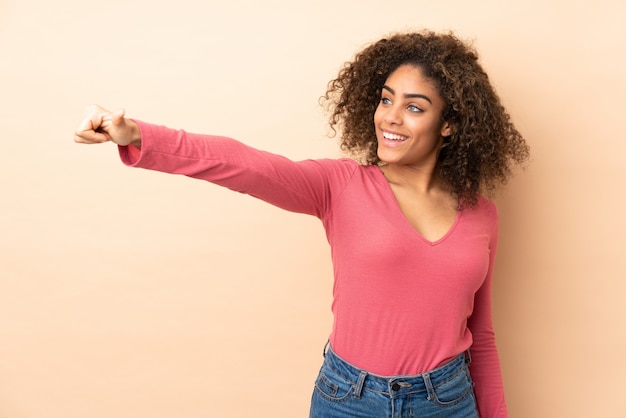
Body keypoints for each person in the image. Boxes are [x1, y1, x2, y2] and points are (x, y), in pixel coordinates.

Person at [74, 30, 529, 418]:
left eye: (414, 107)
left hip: (448, 399)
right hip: (351, 398)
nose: (390, 116)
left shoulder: (481, 214)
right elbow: (246, 164)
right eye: (386, 99)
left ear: (448, 124)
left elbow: (482, 336)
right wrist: (140, 136)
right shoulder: (341, 185)